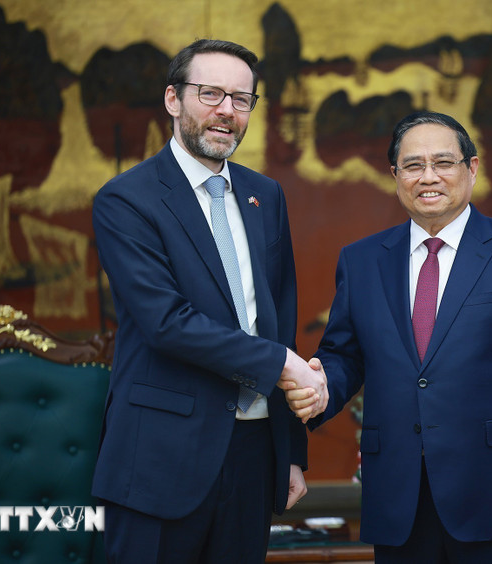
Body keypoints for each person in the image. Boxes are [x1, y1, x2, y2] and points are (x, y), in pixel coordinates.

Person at [286, 111, 492, 563]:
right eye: (413, 165)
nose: (428, 177)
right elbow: (344, 355)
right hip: (398, 498)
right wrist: (319, 389)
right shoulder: (362, 261)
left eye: (443, 162)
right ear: (395, 176)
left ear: (471, 169)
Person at [91, 38, 328, 564]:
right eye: (211, 93)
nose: (227, 110)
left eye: (242, 99)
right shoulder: (126, 199)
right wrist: (282, 364)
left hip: (254, 454)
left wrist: (290, 451)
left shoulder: (266, 195)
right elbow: (166, 323)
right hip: (160, 459)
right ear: (173, 99)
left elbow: (279, 320)